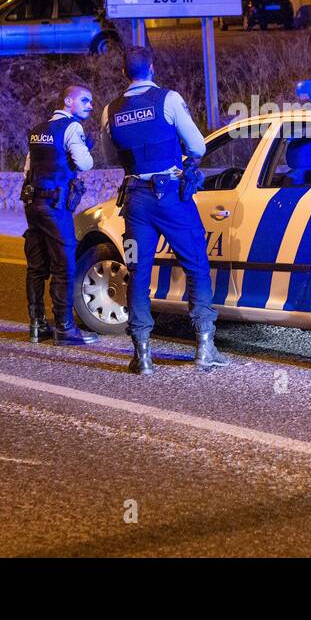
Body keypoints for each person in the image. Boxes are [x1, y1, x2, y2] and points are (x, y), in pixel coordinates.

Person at [100, 46, 227, 375]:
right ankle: (205, 346)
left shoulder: (110, 110)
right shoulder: (168, 100)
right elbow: (198, 146)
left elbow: (111, 157)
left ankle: (142, 354)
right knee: (196, 263)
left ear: (123, 73)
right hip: (171, 195)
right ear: (152, 68)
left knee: (138, 272)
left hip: (135, 202)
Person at [22, 85, 99, 346]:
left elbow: (27, 170)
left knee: (36, 266)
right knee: (64, 265)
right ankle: (65, 329)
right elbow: (85, 163)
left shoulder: (38, 130)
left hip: (32, 204)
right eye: (85, 100)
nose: (90, 105)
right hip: (55, 206)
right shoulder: (72, 128)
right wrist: (84, 149)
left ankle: (37, 325)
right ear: (68, 101)